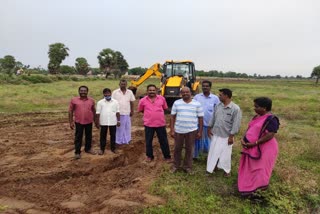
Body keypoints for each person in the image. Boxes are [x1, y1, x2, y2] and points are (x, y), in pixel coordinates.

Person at [238, 97, 279, 197]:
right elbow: (251, 128)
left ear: (264, 108)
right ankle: (246, 188)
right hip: (251, 147)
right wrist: (244, 139)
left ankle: (258, 192)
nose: (254, 108)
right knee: (250, 168)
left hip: (265, 148)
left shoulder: (271, 119)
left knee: (260, 169)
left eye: (256, 107)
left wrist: (255, 143)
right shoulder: (256, 116)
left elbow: (270, 134)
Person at [206, 88, 242, 177]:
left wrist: (231, 136)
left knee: (226, 153)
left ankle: (227, 171)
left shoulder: (235, 108)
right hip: (216, 133)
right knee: (213, 151)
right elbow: (213, 118)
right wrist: (209, 127)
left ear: (226, 96)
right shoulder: (218, 106)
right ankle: (211, 167)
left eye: (220, 95)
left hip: (227, 135)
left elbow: (236, 124)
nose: (219, 96)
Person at [170, 87, 204, 174]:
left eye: (187, 92)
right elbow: (172, 117)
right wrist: (172, 130)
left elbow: (200, 118)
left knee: (189, 149)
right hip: (179, 130)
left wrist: (200, 131)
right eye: (183, 92)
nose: (185, 94)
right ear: (181, 94)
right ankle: (175, 165)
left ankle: (187, 167)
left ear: (190, 93)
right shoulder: (177, 103)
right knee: (177, 149)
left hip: (192, 130)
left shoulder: (197, 104)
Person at [138, 84, 171, 162]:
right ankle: (149, 156)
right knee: (148, 141)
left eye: (153, 90)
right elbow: (141, 110)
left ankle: (167, 156)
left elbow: (165, 108)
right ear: (147, 91)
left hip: (160, 124)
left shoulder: (162, 99)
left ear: (156, 91)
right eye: (150, 90)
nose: (151, 92)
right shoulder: (143, 100)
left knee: (163, 141)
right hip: (148, 124)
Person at [193, 80, 220, 160]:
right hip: (197, 124)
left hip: (209, 125)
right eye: (203, 86)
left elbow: (217, 111)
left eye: (207, 86)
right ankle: (196, 156)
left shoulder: (215, 98)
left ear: (210, 87)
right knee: (197, 140)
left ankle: (209, 156)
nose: (205, 87)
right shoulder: (197, 97)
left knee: (209, 140)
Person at [69, 85, 96, 159]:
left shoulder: (91, 100)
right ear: (79, 91)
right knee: (78, 137)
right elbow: (70, 111)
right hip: (79, 122)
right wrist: (71, 122)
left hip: (89, 121)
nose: (83, 92)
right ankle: (77, 152)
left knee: (89, 136)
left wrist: (96, 121)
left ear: (87, 92)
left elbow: (94, 111)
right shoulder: (74, 100)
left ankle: (88, 149)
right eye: (81, 91)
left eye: (84, 91)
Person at [95, 88, 120, 155]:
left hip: (113, 121)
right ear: (103, 94)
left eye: (108, 93)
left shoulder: (115, 102)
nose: (107, 95)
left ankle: (113, 148)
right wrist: (97, 122)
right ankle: (102, 149)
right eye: (105, 93)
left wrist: (118, 120)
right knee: (103, 136)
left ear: (110, 93)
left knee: (113, 135)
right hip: (103, 122)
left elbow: (117, 112)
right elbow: (97, 113)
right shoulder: (100, 102)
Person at [112, 79, 136, 144]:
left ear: (126, 84)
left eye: (124, 84)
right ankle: (118, 141)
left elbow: (131, 102)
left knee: (127, 127)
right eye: (122, 84)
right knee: (118, 128)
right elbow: (112, 103)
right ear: (119, 84)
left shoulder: (130, 92)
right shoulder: (115, 92)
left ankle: (127, 140)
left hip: (127, 113)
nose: (123, 85)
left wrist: (132, 110)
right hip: (118, 113)